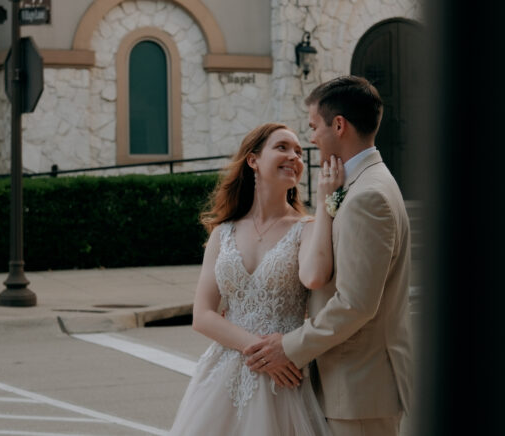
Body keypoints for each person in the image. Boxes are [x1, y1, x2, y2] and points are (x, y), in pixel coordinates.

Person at [244, 76, 413, 436]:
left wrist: (289, 347)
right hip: (348, 386)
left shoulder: (368, 196)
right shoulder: (359, 185)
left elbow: (355, 303)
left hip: (359, 391)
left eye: (314, 126)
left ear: (339, 125)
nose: (312, 138)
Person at [167, 122, 344, 435]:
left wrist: (324, 202)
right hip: (225, 374)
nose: (294, 157)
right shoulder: (224, 231)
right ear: (253, 160)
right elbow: (202, 315)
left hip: (285, 380)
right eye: (282, 147)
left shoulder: (307, 227)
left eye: (299, 152)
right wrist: (262, 352)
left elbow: (314, 277)